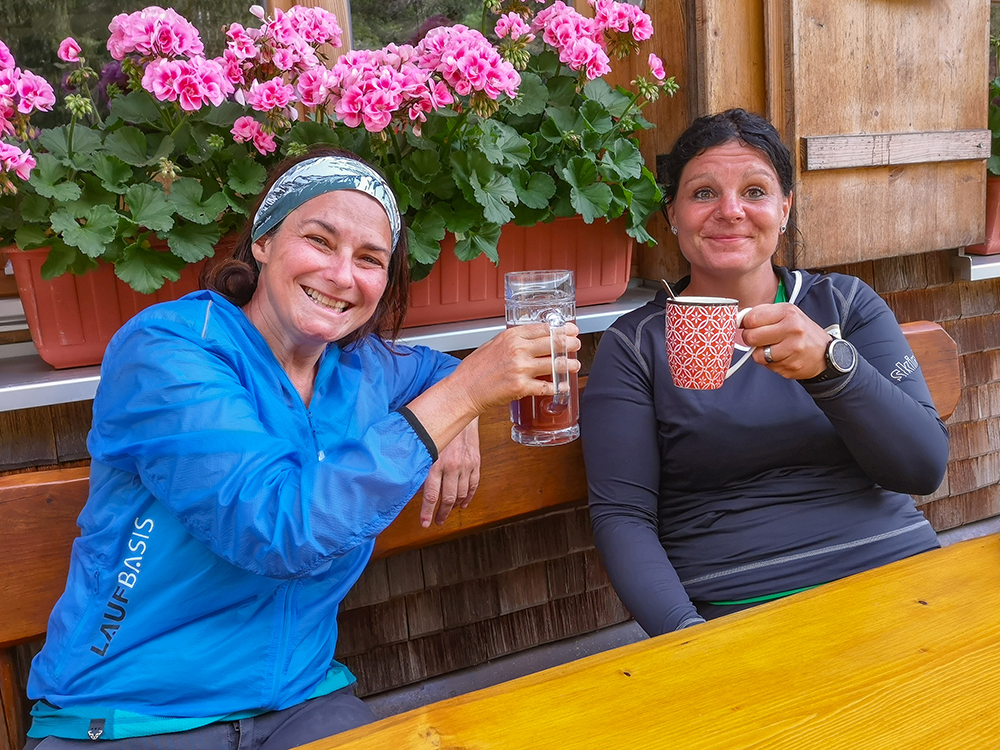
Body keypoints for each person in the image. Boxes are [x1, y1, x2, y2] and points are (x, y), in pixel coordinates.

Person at [24, 147, 581, 748]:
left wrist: (458, 399)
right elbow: (276, 528)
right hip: (131, 715)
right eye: (319, 240)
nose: (343, 275)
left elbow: (429, 368)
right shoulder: (167, 350)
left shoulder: (359, 367)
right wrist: (462, 398)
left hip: (299, 701)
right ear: (262, 241)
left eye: (370, 259)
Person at [581, 109, 948, 636]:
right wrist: (688, 637)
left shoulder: (843, 304)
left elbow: (923, 469)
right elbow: (622, 517)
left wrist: (831, 369)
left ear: (784, 209)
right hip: (740, 607)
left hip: (899, 579)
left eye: (755, 191)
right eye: (703, 193)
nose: (730, 211)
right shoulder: (637, 345)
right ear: (673, 215)